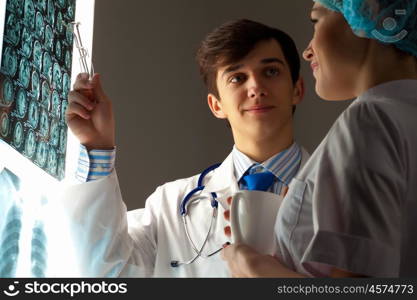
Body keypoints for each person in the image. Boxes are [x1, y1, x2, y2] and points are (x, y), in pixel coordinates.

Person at [62, 19, 309, 277]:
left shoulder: (340, 192)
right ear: (217, 106)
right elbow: (105, 271)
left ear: (297, 89)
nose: (256, 87)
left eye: (270, 72)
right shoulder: (172, 205)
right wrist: (98, 146)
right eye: (237, 78)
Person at [222, 0, 417, 277]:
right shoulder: (401, 115)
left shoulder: (370, 118)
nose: (306, 51)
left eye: (317, 21)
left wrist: (256, 270)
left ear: (370, 12)